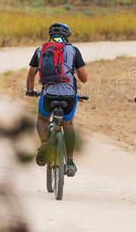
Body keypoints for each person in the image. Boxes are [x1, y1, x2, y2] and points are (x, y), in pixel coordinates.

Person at [26, 23, 88, 177]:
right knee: (68, 124)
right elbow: (84, 77)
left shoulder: (41, 49)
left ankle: (45, 144)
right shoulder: (73, 50)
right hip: (69, 96)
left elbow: (31, 73)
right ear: (67, 36)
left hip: (48, 95)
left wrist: (29, 90)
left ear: (50, 35)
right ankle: (71, 162)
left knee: (42, 119)